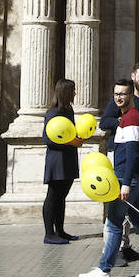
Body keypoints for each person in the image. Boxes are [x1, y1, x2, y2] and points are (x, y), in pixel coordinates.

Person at [79, 79, 139, 277]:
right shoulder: (127, 117)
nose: (119, 97)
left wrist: (125, 183)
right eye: (116, 94)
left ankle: (104, 269)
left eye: (123, 94)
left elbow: (133, 153)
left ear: (131, 96)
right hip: (130, 179)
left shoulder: (132, 119)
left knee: (114, 224)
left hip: (126, 179)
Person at [100, 61, 139, 262]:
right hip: (119, 156)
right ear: (133, 77)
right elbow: (105, 122)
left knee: (131, 209)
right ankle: (113, 251)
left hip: (137, 159)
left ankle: (126, 246)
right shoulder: (119, 101)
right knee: (116, 208)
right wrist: (122, 123)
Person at [42, 78, 83, 244]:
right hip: (57, 161)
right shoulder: (53, 114)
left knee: (62, 196)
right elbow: (49, 139)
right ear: (65, 92)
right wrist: (72, 141)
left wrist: (77, 138)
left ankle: (60, 230)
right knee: (53, 196)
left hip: (68, 158)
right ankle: (49, 233)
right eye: (73, 90)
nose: (75, 93)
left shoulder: (69, 111)